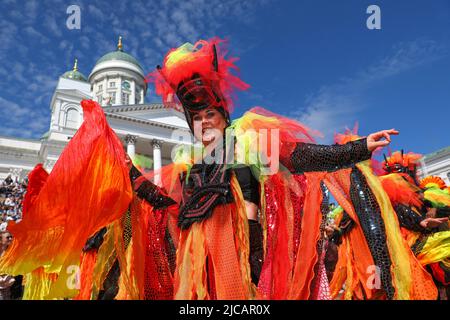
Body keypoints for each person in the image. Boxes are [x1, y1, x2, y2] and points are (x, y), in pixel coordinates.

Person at [1, 38, 400, 300]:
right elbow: (162, 203)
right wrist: (127, 170)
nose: (204, 123)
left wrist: (358, 148)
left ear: (222, 116)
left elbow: (301, 156)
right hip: (194, 268)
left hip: (245, 262)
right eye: (197, 118)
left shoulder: (248, 143)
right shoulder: (187, 165)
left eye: (210, 114)